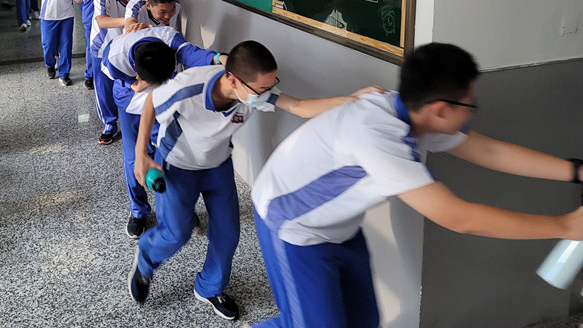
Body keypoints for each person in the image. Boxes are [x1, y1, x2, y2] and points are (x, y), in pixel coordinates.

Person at [250, 43, 583, 328]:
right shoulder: (376, 137)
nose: (471, 113)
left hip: (338, 227)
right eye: (470, 105)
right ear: (440, 110)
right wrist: (564, 226)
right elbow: (459, 217)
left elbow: (489, 151)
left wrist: (576, 171)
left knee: (363, 321)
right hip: (293, 228)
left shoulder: (411, 110)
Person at [129, 41, 379, 320]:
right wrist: (141, 154)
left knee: (228, 234)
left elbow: (298, 106)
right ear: (233, 80)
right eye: (261, 89)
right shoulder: (188, 87)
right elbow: (151, 102)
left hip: (217, 164)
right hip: (178, 164)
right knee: (177, 233)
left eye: (271, 86)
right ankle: (146, 259)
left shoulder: (253, 92)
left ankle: (209, 287)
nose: (267, 93)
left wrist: (353, 100)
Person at [101, 25, 223, 239]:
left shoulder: (168, 38)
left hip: (163, 101)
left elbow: (191, 54)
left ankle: (178, 209)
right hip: (130, 102)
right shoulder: (115, 54)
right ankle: (138, 212)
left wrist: (219, 59)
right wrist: (133, 84)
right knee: (134, 159)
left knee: (171, 154)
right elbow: (110, 75)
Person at [89, 0, 149, 144]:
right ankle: (109, 124)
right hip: (102, 47)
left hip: (126, 50)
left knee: (129, 85)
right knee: (104, 90)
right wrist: (128, 21)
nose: (136, 0)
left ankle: (133, 121)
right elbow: (101, 21)